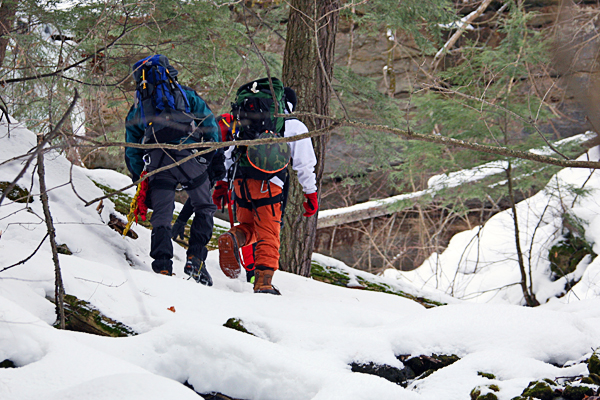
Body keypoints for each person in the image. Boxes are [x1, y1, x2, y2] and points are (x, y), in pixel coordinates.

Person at [124, 55, 219, 285]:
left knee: (162, 216)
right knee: (204, 205)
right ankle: (195, 257)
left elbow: (132, 146)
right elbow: (210, 125)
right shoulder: (185, 94)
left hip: (158, 161)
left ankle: (163, 266)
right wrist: (207, 155)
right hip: (187, 155)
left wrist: (139, 175)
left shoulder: (139, 106)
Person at [217, 86, 319, 294]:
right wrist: (310, 192)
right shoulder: (292, 125)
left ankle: (233, 238)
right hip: (268, 184)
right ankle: (263, 282)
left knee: (249, 227)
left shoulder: (245, 120)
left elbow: (228, 152)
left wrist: (223, 183)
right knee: (269, 233)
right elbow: (304, 164)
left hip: (240, 180)